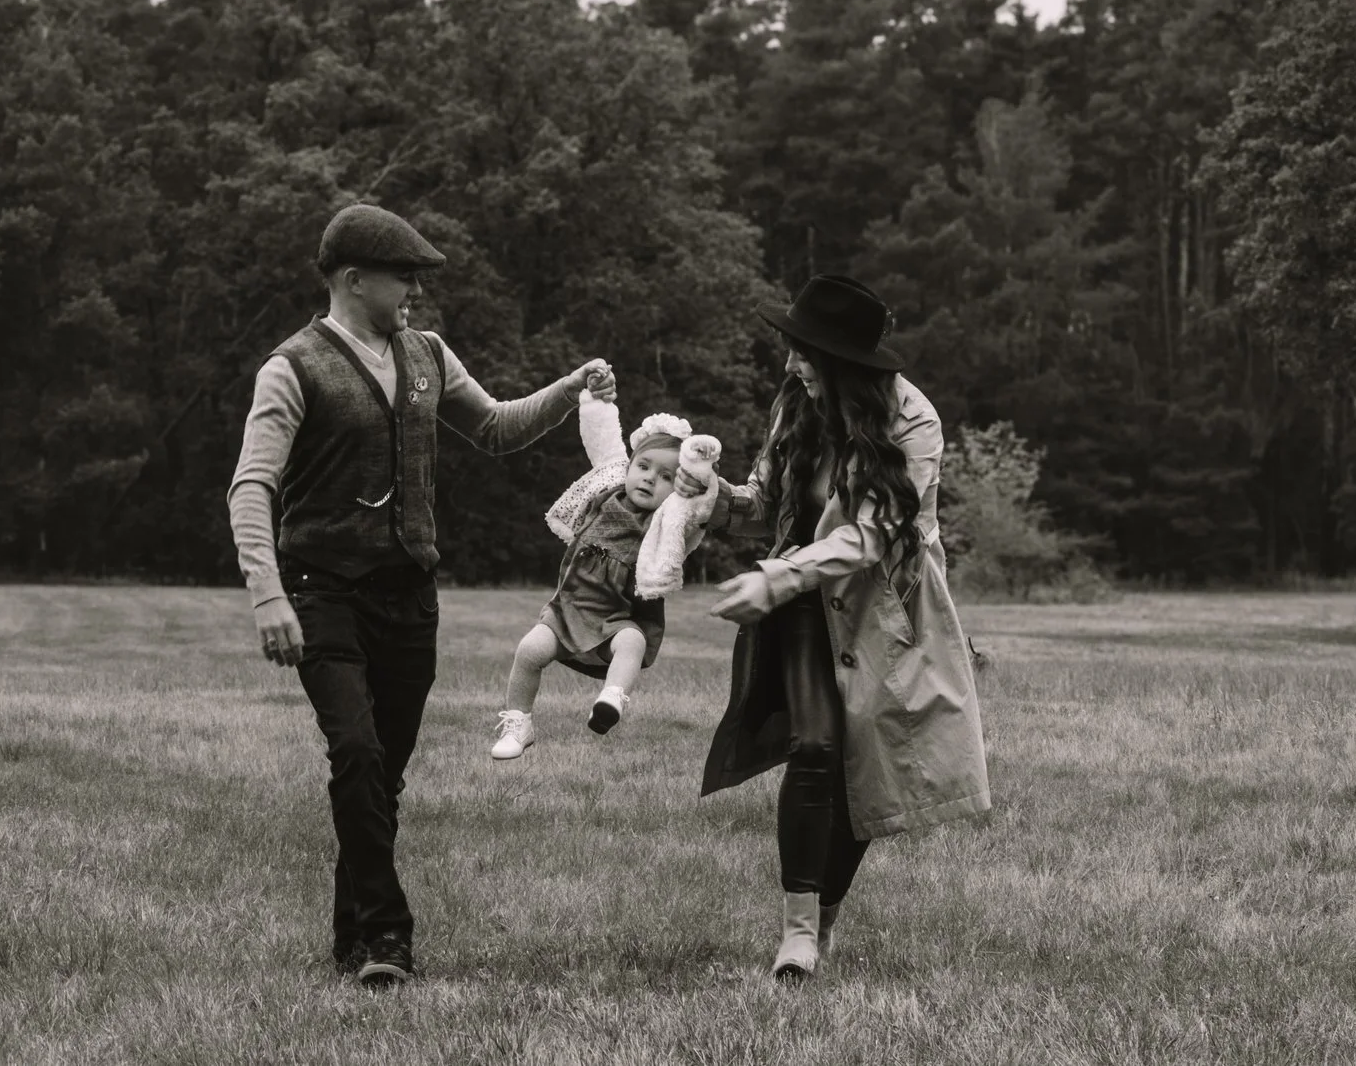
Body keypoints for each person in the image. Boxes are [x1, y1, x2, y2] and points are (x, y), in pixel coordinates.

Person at [224, 203, 608, 988]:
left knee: (381, 775)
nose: (416, 290)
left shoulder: (428, 354)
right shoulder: (291, 367)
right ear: (353, 278)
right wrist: (267, 595)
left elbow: (496, 426)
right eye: (404, 275)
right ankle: (388, 935)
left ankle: (351, 938)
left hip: (409, 597)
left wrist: (570, 389)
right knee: (357, 751)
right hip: (322, 589)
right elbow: (251, 485)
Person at [701, 274, 993, 980]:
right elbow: (763, 500)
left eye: (801, 351)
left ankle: (822, 921)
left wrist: (776, 575)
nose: (790, 363)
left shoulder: (913, 421)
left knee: (866, 764)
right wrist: (713, 497)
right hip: (802, 603)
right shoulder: (796, 403)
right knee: (815, 745)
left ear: (840, 361)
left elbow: (871, 536)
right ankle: (798, 934)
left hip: (879, 610)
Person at [488, 389, 726, 759]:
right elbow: (601, 437)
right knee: (529, 650)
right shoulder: (604, 491)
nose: (649, 479)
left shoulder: (668, 522)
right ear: (629, 465)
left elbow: (702, 509)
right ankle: (519, 723)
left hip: (617, 619)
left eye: (666, 476)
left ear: (678, 487)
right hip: (566, 612)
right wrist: (595, 397)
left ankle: (612, 698)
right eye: (643, 466)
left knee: (632, 642)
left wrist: (700, 471)